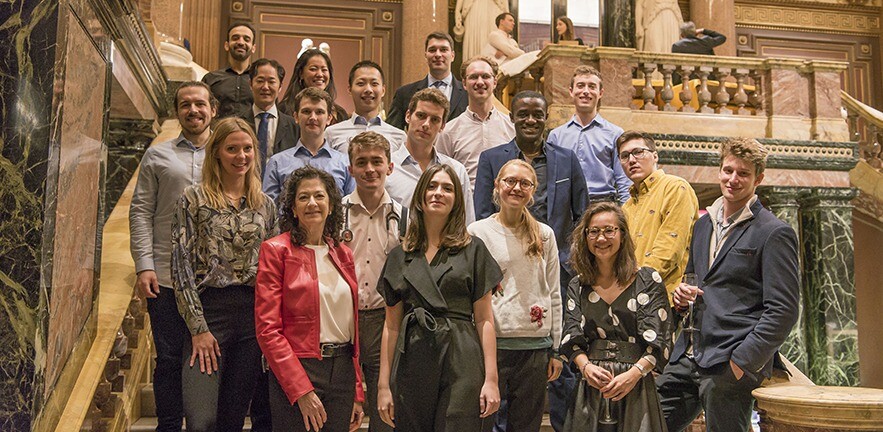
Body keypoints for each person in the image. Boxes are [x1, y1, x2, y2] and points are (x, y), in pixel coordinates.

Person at [656, 138, 800, 432]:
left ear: (758, 178)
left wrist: (743, 361)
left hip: (729, 361)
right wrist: (682, 298)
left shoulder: (774, 232)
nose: (733, 179)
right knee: (648, 424)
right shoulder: (703, 224)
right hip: (689, 354)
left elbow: (783, 310)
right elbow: (694, 281)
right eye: (727, 170)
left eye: (743, 173)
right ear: (719, 171)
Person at [474, 91, 588, 432]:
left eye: (537, 114)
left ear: (546, 117)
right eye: (523, 113)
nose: (530, 120)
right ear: (512, 116)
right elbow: (482, 210)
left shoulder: (567, 159)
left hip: (552, 277)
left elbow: (581, 215)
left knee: (552, 387)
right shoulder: (493, 158)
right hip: (498, 292)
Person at [376, 164, 503, 431]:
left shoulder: (474, 250)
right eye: (432, 186)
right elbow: (391, 326)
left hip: (462, 356)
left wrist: (491, 379)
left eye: (447, 188)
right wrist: (384, 385)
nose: (438, 193)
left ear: (457, 200)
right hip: (413, 357)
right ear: (420, 196)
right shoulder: (400, 255)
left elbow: (484, 320)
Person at [171, 117, 278, 432]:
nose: (241, 156)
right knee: (202, 419)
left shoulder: (265, 206)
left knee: (232, 420)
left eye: (247, 149)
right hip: (208, 314)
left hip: (251, 318)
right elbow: (181, 267)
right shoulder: (193, 199)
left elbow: (274, 274)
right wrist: (198, 328)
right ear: (216, 152)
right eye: (232, 149)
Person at [130, 81, 217, 432]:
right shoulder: (158, 155)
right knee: (167, 359)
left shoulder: (228, 152)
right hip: (165, 276)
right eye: (185, 105)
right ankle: (168, 425)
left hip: (213, 279)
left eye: (200, 104)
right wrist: (144, 265)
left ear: (213, 109)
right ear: (177, 111)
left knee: (205, 359)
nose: (193, 110)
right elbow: (140, 211)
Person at [255, 166, 365, 432]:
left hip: (342, 371)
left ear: (331, 205)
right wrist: (301, 389)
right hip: (298, 368)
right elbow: (267, 329)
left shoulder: (343, 253)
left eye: (319, 196)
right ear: (293, 208)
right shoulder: (275, 250)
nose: (312, 203)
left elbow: (351, 327)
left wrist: (357, 392)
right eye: (303, 197)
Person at [468, 160, 563, 432]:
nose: (516, 188)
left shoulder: (544, 235)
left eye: (525, 183)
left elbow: (554, 291)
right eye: (510, 181)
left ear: (533, 191)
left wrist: (556, 348)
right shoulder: (478, 232)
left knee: (525, 426)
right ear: (497, 185)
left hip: (533, 347)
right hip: (491, 345)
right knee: (481, 423)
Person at [559, 202, 673, 431]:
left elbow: (660, 339)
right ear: (585, 236)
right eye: (594, 231)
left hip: (635, 384)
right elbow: (571, 336)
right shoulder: (577, 285)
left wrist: (634, 374)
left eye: (609, 230)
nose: (601, 238)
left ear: (622, 234)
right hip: (592, 385)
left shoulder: (648, 280)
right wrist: (586, 368)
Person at [338, 131, 405, 432]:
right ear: (350, 168)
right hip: (342, 320)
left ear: (390, 167)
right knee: (340, 407)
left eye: (377, 162)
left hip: (385, 320)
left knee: (385, 408)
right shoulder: (335, 213)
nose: (369, 169)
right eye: (361, 162)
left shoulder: (404, 217)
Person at [618, 131, 698, 302]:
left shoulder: (675, 188)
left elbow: (669, 251)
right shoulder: (626, 206)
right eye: (624, 156)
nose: (632, 160)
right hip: (631, 299)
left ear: (655, 156)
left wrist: (631, 287)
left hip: (665, 298)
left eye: (638, 152)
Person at [386, 88, 475, 223]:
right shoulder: (387, 169)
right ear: (408, 116)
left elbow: (466, 224)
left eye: (434, 120)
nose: (426, 125)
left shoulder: (457, 171)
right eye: (421, 116)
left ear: (442, 126)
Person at [547, 65, 631, 204]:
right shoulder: (556, 136)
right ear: (571, 91)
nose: (586, 91)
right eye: (580, 86)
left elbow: (623, 180)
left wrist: (626, 216)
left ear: (600, 93)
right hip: (567, 206)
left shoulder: (615, 134)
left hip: (603, 205)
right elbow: (550, 180)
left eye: (592, 86)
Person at [436, 56, 515, 189]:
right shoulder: (449, 131)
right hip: (465, 205)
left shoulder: (511, 127)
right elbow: (440, 174)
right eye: (473, 77)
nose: (480, 82)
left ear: (494, 82)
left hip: (504, 205)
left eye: (485, 76)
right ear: (464, 84)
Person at [264, 87, 355, 201]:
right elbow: (269, 212)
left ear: (329, 118)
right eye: (306, 111)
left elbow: (350, 209)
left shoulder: (345, 163)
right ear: (296, 117)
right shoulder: (277, 163)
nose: (313, 117)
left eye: (319, 112)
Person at [386, 32, 468, 130]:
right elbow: (392, 134)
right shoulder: (404, 93)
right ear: (426, 55)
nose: (438, 54)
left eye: (443, 50)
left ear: (452, 55)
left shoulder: (467, 93)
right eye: (432, 50)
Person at [325, 61, 406, 154]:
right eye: (361, 83)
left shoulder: (399, 137)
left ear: (383, 90)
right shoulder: (332, 134)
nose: (368, 89)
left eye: (374, 84)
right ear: (349, 89)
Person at [239, 58, 298, 171]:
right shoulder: (238, 122)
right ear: (251, 84)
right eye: (260, 81)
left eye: (271, 81)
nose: (265, 87)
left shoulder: (294, 126)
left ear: (280, 86)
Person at [279, 48, 349, 124]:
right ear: (301, 73)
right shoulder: (284, 110)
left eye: (324, 70)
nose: (319, 74)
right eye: (313, 69)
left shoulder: (340, 113)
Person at [202, 23, 257, 118]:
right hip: (219, 132)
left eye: (246, 39)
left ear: (253, 48)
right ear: (226, 45)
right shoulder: (210, 78)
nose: (241, 42)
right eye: (235, 38)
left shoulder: (259, 80)